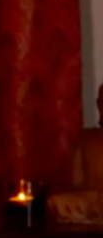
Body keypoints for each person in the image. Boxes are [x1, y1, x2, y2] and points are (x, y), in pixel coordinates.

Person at [48, 82, 103, 224]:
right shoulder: (87, 139)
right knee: (54, 203)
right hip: (89, 206)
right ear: (99, 105)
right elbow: (76, 185)